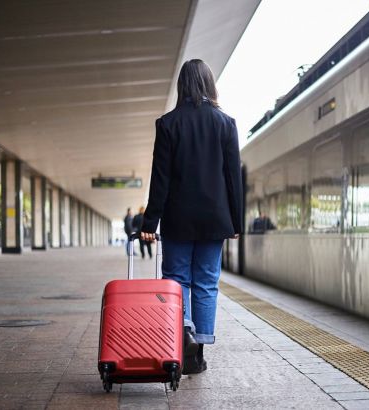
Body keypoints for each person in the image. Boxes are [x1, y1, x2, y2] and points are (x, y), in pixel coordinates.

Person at [140, 59, 243, 375]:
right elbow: (232, 179)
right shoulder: (226, 124)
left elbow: (161, 179)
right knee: (207, 282)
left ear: (181, 85)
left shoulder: (168, 124)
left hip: (178, 219)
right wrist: (236, 223)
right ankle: (197, 353)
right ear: (210, 84)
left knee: (175, 280)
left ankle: (178, 341)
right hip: (215, 219)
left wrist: (149, 223)